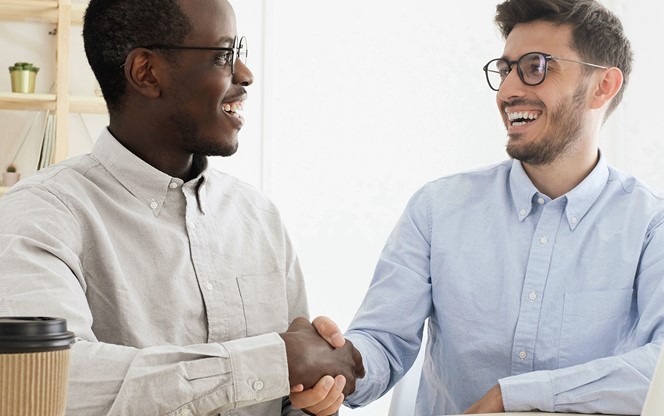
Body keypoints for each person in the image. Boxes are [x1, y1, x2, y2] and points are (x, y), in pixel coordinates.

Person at [0, 0, 362, 415]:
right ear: (147, 73)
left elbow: (288, 395)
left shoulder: (259, 216)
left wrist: (313, 394)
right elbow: (52, 383)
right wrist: (276, 358)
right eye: (224, 55)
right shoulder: (42, 214)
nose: (245, 74)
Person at [306, 0, 664, 414]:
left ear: (602, 85)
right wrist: (335, 367)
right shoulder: (437, 208)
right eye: (505, 70)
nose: (509, 91)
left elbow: (658, 368)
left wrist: (517, 397)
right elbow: (383, 342)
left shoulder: (652, 224)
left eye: (535, 67)